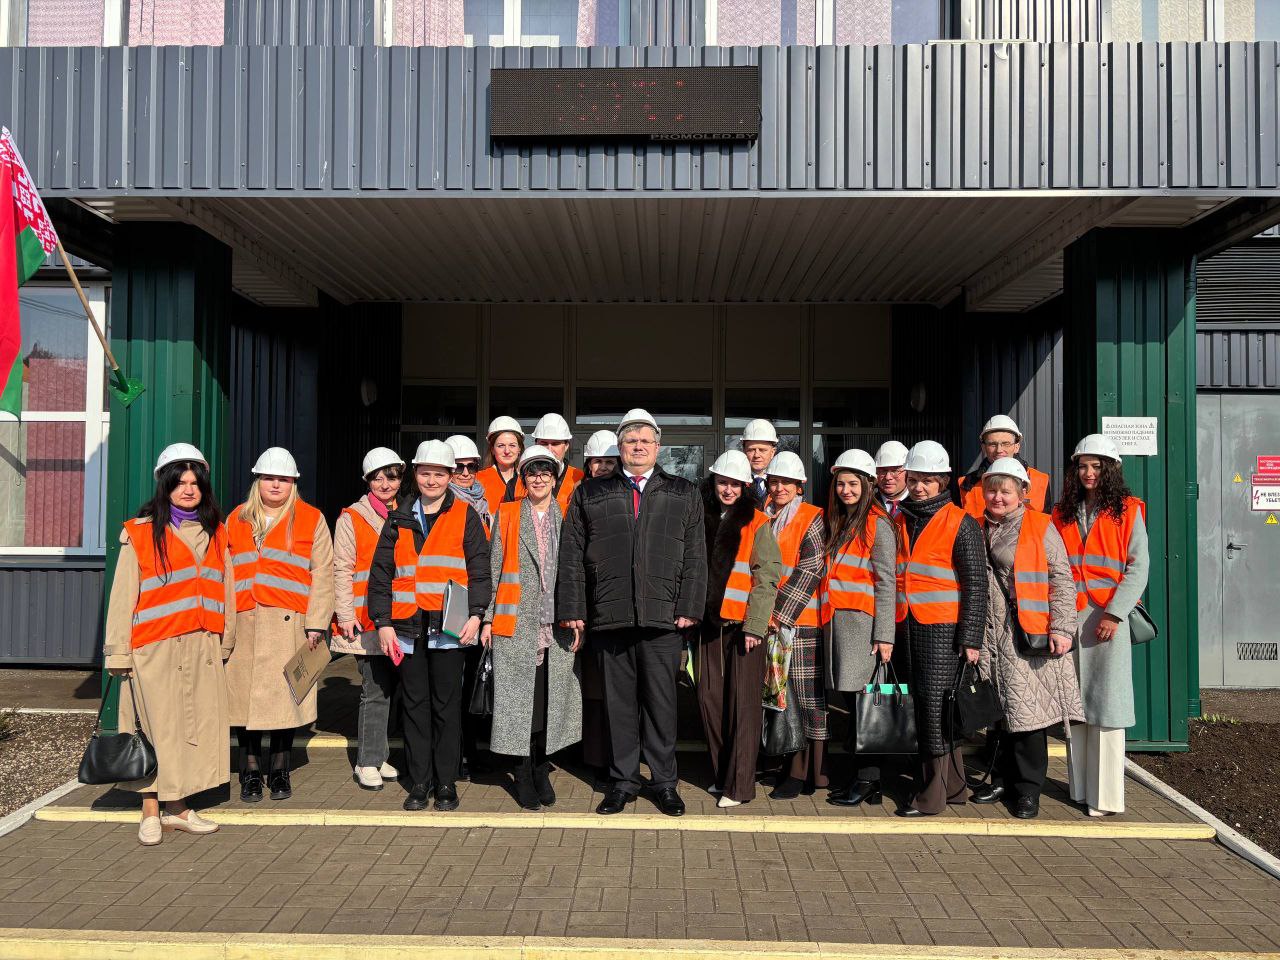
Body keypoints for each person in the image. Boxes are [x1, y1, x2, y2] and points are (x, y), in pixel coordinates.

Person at [558, 407, 706, 817]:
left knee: (662, 706)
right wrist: (573, 608)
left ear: (658, 447)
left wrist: (690, 606)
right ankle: (623, 782)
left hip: (664, 619)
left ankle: (664, 783)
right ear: (619, 447)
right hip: (611, 617)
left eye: (645, 441)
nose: (638, 447)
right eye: (630, 441)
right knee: (618, 707)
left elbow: (696, 555)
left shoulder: (683, 492)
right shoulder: (591, 493)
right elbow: (571, 555)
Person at [104, 444, 236, 845]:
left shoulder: (216, 532)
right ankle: (150, 811)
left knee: (190, 730)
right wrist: (119, 652)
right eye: (180, 483)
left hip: (201, 646)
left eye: (195, 483)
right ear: (165, 486)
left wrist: (225, 640)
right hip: (154, 649)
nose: (188, 490)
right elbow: (123, 596)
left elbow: (227, 590)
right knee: (153, 730)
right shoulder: (141, 533)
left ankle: (177, 809)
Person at [368, 440, 492, 813]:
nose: (432, 480)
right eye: (426, 473)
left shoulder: (466, 515)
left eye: (439, 474)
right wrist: (383, 623)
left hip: (450, 627)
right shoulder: (398, 517)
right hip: (407, 626)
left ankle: (446, 783)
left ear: (450, 476)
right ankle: (420, 783)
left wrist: (476, 614)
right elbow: (381, 574)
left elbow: (480, 569)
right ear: (416, 474)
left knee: (446, 707)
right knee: (415, 706)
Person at [972, 458, 1082, 819]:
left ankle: (1028, 790)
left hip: (1024, 634)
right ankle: (1001, 779)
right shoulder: (977, 527)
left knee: (1027, 714)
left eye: (1005, 491)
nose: (997, 497)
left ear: (1022, 493)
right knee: (998, 711)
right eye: (992, 490)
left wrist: (1062, 628)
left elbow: (1061, 579)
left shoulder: (1040, 526)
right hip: (989, 635)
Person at [224, 447, 334, 803]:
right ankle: (250, 771)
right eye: (269, 478)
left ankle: (280, 769)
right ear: (258, 481)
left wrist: (316, 623)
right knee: (245, 705)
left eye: (283, 479)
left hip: (290, 624)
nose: (276, 485)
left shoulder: (311, 518)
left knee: (287, 699)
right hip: (244, 622)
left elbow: (323, 573)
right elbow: (222, 572)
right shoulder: (236, 519)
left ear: (293, 483)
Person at [482, 445, 584, 811]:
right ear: (523, 479)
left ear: (555, 479)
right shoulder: (508, 513)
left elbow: (576, 571)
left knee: (547, 701)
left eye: (545, 473)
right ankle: (522, 772)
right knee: (518, 703)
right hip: (515, 623)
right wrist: (489, 618)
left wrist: (578, 615)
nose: (539, 478)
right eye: (532, 473)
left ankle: (542, 768)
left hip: (556, 624)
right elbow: (495, 568)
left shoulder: (567, 515)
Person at [1052, 434, 1149, 817]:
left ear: (1110, 469)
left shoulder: (1128, 510)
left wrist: (1114, 613)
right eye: (1083, 466)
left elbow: (1138, 567)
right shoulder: (1062, 512)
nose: (1088, 472)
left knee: (1107, 707)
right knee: (1075, 708)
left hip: (1107, 618)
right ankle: (1080, 791)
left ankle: (1105, 799)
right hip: (1068, 617)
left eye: (1096, 466)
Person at [893, 441, 988, 817]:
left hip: (944, 632)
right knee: (930, 709)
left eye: (927, 481)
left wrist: (970, 638)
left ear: (943, 481)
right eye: (914, 479)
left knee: (935, 710)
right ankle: (954, 788)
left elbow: (976, 585)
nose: (919, 487)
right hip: (908, 626)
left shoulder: (961, 522)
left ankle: (930, 797)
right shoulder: (903, 519)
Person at [698, 450, 781, 807]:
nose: (728, 489)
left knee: (743, 706)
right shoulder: (702, 516)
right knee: (709, 699)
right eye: (722, 482)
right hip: (709, 625)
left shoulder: (758, 522)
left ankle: (740, 785)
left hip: (745, 627)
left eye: (734, 483)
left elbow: (767, 577)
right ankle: (722, 775)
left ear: (746, 486)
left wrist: (756, 626)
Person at [821, 450, 897, 808]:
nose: (846, 490)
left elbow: (886, 582)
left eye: (853, 484)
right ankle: (867, 782)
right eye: (841, 484)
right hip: (840, 626)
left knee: (866, 707)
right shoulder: (844, 521)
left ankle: (867, 779)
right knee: (856, 706)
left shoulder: (877, 524)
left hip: (863, 629)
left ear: (868, 485)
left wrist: (884, 635)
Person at [330, 447, 405, 791]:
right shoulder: (352, 518)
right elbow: (342, 568)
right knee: (374, 690)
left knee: (390, 689)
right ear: (367, 481)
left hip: (399, 615)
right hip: (366, 618)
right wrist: (344, 614)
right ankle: (367, 761)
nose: (385, 484)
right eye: (377, 478)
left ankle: (379, 753)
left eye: (391, 476)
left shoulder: (406, 513)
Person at [763, 450, 828, 800]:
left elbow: (810, 569)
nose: (779, 488)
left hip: (799, 622)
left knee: (806, 699)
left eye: (786, 482)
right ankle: (785, 764)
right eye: (774, 481)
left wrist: (779, 615)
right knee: (779, 696)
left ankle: (807, 773)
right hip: (770, 621)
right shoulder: (763, 515)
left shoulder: (812, 517)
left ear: (800, 485)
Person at [578, 427, 619, 780]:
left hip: (615, 605)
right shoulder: (578, 497)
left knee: (616, 688)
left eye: (609, 462)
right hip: (587, 605)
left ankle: (617, 755)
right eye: (597, 462)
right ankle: (594, 757)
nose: (603, 467)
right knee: (591, 686)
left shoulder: (625, 497)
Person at [959, 416, 1051, 519]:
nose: (999, 450)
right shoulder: (965, 485)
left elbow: (1045, 524)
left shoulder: (1040, 481)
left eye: (1006, 444)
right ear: (984, 447)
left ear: (1016, 447)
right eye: (992, 444)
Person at [478, 416, 524, 515]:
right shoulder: (479, 479)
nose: (507, 451)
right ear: (492, 449)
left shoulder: (529, 480)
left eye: (512, 445)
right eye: (501, 446)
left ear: (519, 449)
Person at [446, 434, 491, 534]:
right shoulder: (444, 502)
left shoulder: (481, 500)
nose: (466, 473)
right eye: (458, 468)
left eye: (471, 467)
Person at [741, 419, 778, 505]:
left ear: (772, 452)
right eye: (751, 450)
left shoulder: (785, 483)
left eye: (762, 450)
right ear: (744, 451)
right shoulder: (733, 482)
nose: (756, 455)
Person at [874, 441, 910, 519]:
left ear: (907, 472)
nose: (888, 477)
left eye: (895, 471)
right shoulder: (866, 502)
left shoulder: (919, 503)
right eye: (883, 471)